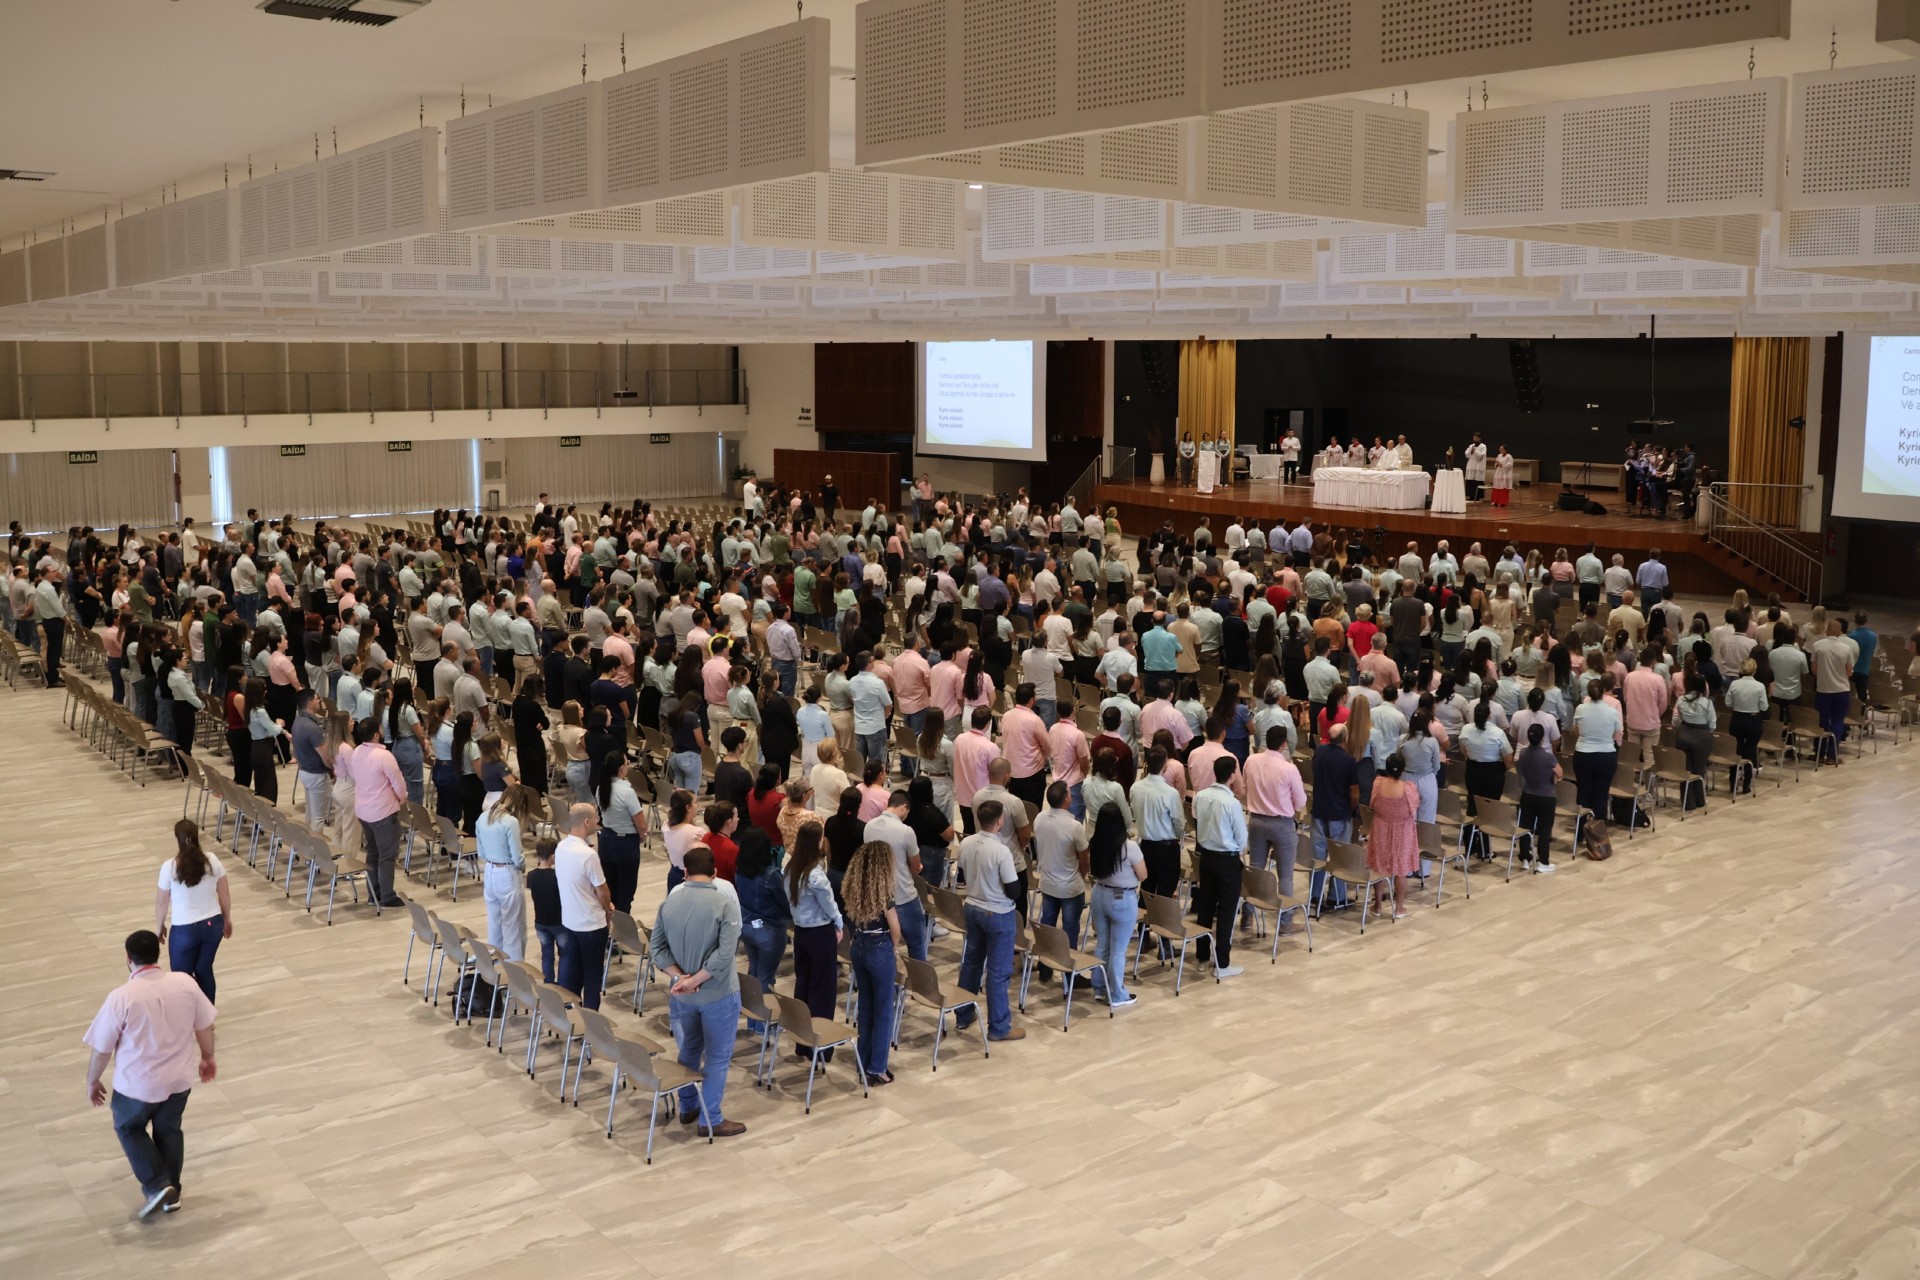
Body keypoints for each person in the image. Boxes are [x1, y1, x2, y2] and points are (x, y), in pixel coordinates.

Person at [83, 930, 218, 1219]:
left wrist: (93, 1080)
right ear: (158, 955)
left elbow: (102, 1048)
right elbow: (204, 1025)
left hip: (137, 1086)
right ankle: (173, 1194)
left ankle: (158, 1185)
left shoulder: (122, 997)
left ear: (128, 959)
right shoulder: (185, 983)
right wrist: (208, 1057)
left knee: (129, 1128)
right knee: (169, 1130)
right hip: (180, 1080)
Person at [648, 846, 745, 1138]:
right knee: (717, 1056)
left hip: (682, 994)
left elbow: (657, 949)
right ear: (715, 873)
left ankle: (688, 1104)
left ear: (685, 873)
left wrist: (681, 978)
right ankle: (711, 1118)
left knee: (689, 1048)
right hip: (718, 994)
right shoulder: (724, 904)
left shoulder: (669, 903)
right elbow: (726, 954)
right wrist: (697, 979)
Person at [954, 800, 1025, 1042]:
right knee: (998, 972)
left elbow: (963, 872)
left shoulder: (966, 842)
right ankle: (999, 1026)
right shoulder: (1001, 850)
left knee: (972, 963)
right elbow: (1014, 890)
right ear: (1000, 821)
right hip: (997, 913)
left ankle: (963, 1014)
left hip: (973, 906)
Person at [840, 840, 903, 1086]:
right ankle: (878, 1067)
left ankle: (863, 1062)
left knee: (865, 1006)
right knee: (884, 1009)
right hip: (880, 947)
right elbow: (895, 929)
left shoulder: (855, 889)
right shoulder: (883, 895)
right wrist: (894, 948)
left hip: (859, 945)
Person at [154, 820, 231, 1001]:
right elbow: (224, 893)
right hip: (213, 925)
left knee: (181, 976)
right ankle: (207, 1016)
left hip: (184, 929)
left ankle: (188, 1015)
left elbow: (161, 902)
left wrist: (159, 926)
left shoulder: (170, 867)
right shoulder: (212, 860)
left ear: (177, 839)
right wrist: (227, 919)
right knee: (204, 969)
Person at [784, 822, 844, 1052]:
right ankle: (821, 1046)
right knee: (823, 990)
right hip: (820, 933)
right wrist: (838, 924)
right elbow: (830, 905)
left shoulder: (790, 869)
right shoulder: (816, 876)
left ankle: (802, 1042)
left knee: (804, 985)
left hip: (801, 932)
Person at [1242, 724, 1305, 933]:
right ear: (1284, 744)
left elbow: (1244, 787)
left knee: (1256, 869)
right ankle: (1285, 922)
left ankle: (1247, 915)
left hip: (1257, 821)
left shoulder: (1251, 761)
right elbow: (1300, 801)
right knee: (1285, 875)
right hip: (1281, 823)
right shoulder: (1288, 768)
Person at [1191, 754, 1247, 978]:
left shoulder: (1201, 796)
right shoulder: (1231, 803)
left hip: (1206, 856)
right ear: (1232, 775)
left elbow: (1196, 818)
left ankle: (1202, 957)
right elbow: (1242, 837)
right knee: (1226, 912)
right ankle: (1222, 964)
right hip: (1226, 858)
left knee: (1205, 906)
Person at [733, 830, 791, 1035]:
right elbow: (786, 903)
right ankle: (764, 1024)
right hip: (770, 932)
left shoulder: (740, 871)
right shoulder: (771, 875)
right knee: (766, 977)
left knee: (754, 973)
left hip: (747, 929)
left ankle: (752, 1020)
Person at [554, 803, 611, 1010]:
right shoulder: (588, 855)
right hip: (591, 926)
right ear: (587, 821)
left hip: (570, 921)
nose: (598, 821)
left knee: (571, 975)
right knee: (592, 978)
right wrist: (608, 908)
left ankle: (571, 1018)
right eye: (596, 817)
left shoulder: (561, 847)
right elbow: (602, 890)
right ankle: (591, 1026)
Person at [347, 718, 408, 908]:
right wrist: (402, 798)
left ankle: (374, 893)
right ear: (376, 734)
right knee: (387, 856)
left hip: (364, 809)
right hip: (383, 811)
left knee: (372, 852)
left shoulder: (356, 752)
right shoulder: (384, 756)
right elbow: (398, 782)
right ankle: (388, 896)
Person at [1032, 781, 1090, 973]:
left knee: (1047, 926)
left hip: (1048, 882)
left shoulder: (1039, 818)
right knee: (1070, 931)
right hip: (1069, 886)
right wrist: (1081, 877)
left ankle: (1045, 966)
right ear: (1067, 799)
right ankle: (1069, 974)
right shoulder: (1074, 826)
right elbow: (1084, 859)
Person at [1366, 752, 1420, 918]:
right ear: (1403, 770)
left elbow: (1372, 804)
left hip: (1381, 828)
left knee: (1380, 867)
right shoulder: (1408, 789)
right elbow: (1414, 809)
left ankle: (1377, 906)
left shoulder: (1378, 784)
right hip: (1402, 831)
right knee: (1401, 870)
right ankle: (1399, 908)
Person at [596, 753, 646, 914]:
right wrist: (642, 835)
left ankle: (610, 927)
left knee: (610, 888)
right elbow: (641, 823)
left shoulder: (601, 788)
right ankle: (622, 930)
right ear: (621, 768)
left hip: (605, 839)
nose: (628, 765)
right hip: (624, 843)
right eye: (626, 763)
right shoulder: (627, 791)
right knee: (626, 891)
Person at [1572, 677, 1623, 818]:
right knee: (1601, 794)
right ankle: (1598, 833)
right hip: (1606, 756)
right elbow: (1616, 733)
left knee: (1583, 793)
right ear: (1604, 692)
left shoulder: (1580, 709)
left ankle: (1581, 831)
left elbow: (1575, 731)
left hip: (1583, 754)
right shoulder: (1612, 711)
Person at [1514, 723, 1561, 869]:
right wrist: (1553, 778)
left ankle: (1525, 858)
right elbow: (1560, 773)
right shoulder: (1548, 757)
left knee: (1525, 826)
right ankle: (1543, 861)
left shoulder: (1522, 753)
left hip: (1527, 793)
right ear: (1542, 739)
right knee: (1545, 829)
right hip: (1546, 796)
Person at [526, 839, 563, 983]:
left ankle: (548, 983)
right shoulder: (557, 876)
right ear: (553, 856)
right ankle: (563, 983)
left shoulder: (531, 876)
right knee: (565, 955)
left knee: (547, 955)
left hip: (540, 922)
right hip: (558, 922)